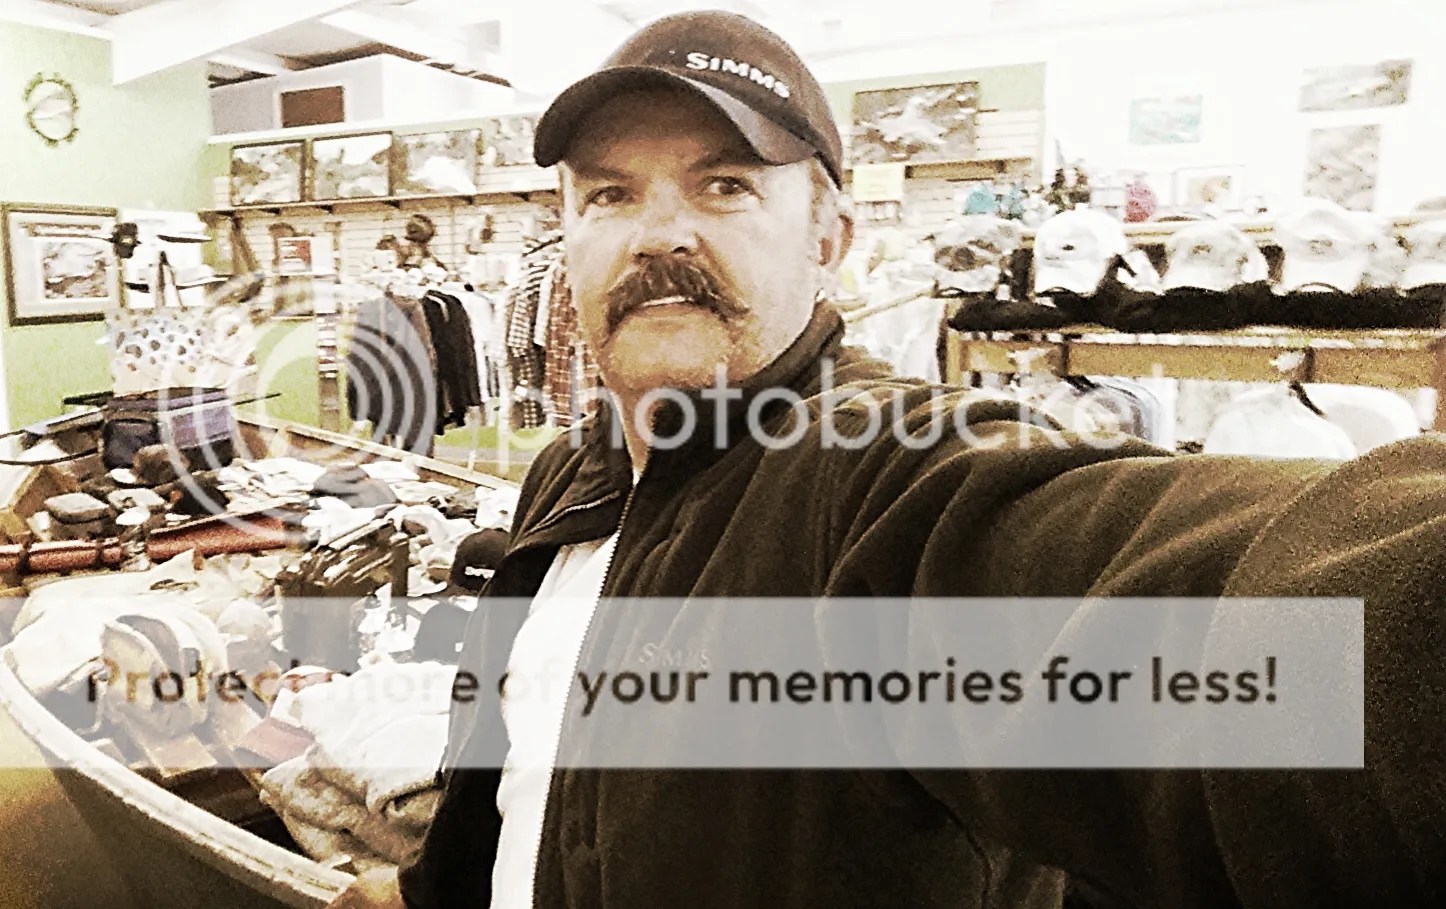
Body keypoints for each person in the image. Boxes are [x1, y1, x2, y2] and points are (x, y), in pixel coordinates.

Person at [327, 11, 1446, 909]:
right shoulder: (570, 476)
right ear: (567, 238)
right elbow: (512, 768)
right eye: (610, 194)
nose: (659, 232)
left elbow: (1220, 620)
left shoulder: (879, 481)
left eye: (726, 184)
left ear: (829, 238)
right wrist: (437, 886)